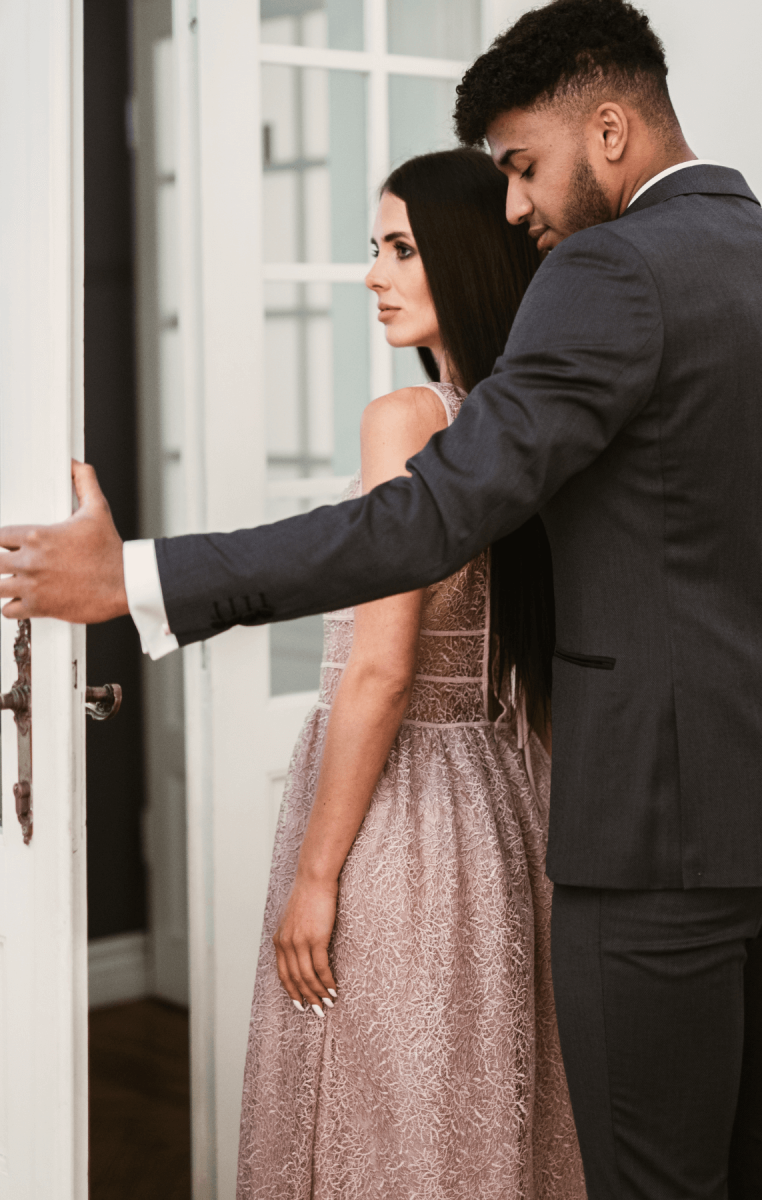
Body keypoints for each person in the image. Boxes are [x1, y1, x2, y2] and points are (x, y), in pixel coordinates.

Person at [3, 0, 762, 1195]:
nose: (518, 207)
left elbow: (425, 518)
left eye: (524, 168)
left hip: (653, 835)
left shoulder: (610, 269)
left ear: (611, 126)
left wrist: (137, 576)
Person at [237, 147, 584, 1200]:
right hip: (500, 813)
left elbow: (380, 672)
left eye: (399, 247)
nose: (371, 275)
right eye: (372, 248)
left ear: (467, 259)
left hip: (404, 824)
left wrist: (313, 874)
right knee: (472, 1111)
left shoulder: (408, 420)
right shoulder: (531, 428)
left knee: (374, 1121)